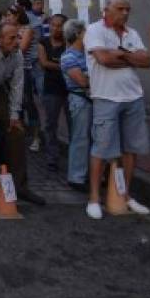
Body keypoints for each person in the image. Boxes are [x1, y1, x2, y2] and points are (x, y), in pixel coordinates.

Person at [84, 0, 150, 220]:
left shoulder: (132, 33)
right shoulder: (94, 30)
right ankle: (94, 198)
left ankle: (125, 195)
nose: (125, 13)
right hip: (106, 97)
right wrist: (130, 56)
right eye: (121, 9)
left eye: (127, 9)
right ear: (107, 9)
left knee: (130, 150)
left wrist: (121, 54)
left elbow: (147, 61)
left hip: (133, 97)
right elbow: (104, 59)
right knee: (101, 149)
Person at [0, 22, 46, 207]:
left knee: (17, 132)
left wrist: (14, 114)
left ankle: (20, 186)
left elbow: (17, 85)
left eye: (18, 37)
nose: (17, 41)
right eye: (12, 38)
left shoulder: (17, 55)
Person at [60, 19, 91, 192]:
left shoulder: (89, 54)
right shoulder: (69, 56)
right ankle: (76, 177)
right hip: (80, 100)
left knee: (93, 138)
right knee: (80, 138)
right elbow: (81, 81)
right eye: (85, 32)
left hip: (92, 99)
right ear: (78, 34)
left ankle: (91, 174)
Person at [7, 5, 41, 152]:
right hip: (12, 71)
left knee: (28, 103)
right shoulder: (10, 30)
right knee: (15, 104)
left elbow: (21, 49)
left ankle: (36, 137)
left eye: (10, 14)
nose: (7, 17)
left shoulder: (27, 29)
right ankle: (17, 135)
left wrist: (8, 46)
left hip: (25, 70)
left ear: (17, 15)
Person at [38, 14, 69, 172]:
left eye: (59, 26)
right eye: (53, 25)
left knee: (74, 125)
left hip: (70, 89)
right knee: (51, 124)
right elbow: (44, 63)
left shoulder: (70, 43)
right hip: (51, 88)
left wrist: (58, 65)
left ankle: (76, 158)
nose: (55, 29)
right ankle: (52, 158)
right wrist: (66, 66)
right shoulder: (43, 42)